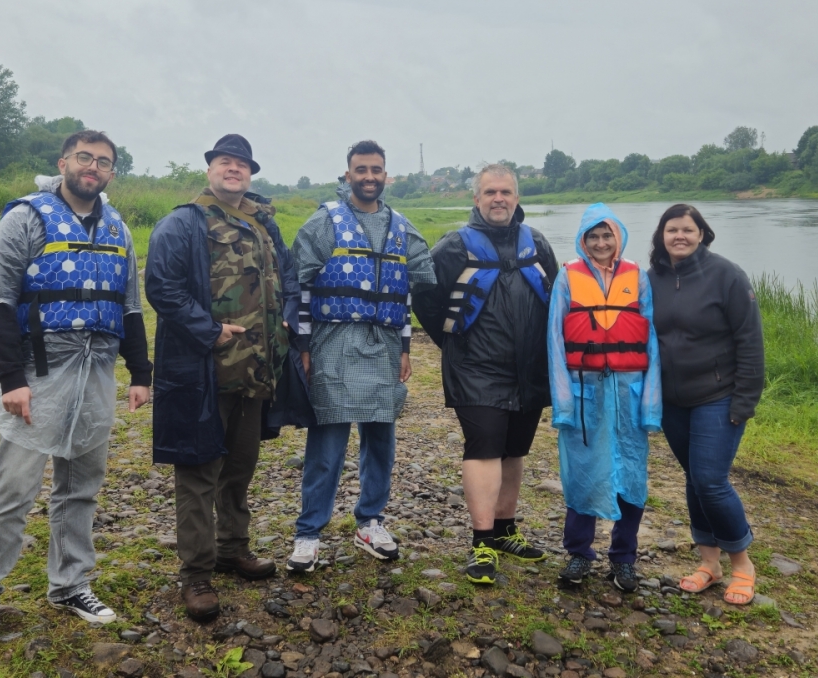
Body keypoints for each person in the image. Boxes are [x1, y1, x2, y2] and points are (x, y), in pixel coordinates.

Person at [0, 130, 153, 647]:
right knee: (12, 491)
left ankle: (70, 584)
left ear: (111, 173)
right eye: (85, 158)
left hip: (98, 369)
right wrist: (11, 380)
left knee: (81, 485)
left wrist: (141, 372)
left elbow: (129, 304)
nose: (93, 167)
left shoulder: (119, 227)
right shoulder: (26, 217)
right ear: (64, 162)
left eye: (104, 162)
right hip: (40, 368)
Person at [145, 134, 298, 622]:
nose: (234, 170)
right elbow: (161, 287)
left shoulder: (265, 224)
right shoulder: (182, 224)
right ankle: (197, 574)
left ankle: (234, 549)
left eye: (242, 164)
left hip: (254, 373)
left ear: (251, 173)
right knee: (197, 474)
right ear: (211, 168)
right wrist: (208, 331)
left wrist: (291, 315)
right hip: (203, 373)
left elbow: (287, 279)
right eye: (225, 162)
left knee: (240, 469)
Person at [285, 140, 436, 571]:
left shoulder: (402, 228)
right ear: (348, 174)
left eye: (376, 170)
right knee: (328, 440)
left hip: (384, 346)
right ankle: (309, 532)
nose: (369, 176)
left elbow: (403, 291)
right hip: (333, 341)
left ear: (386, 176)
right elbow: (302, 289)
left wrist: (406, 347)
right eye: (361, 169)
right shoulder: (323, 223)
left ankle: (370, 520)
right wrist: (304, 348)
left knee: (381, 440)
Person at [415, 163, 558, 585]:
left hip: (529, 369)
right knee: (484, 447)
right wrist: (452, 343)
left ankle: (505, 529)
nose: (499, 199)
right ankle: (481, 541)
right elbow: (425, 298)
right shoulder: (455, 246)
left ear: (516, 198)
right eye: (491, 192)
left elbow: (558, 294)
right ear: (477, 199)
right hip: (475, 368)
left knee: (515, 451)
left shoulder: (538, 243)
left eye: (506, 192)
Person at [646, 203, 765, 606]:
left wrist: (744, 401)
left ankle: (743, 565)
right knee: (695, 480)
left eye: (688, 230)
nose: (679, 236)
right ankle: (709, 564)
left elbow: (750, 341)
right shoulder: (652, 280)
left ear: (703, 234)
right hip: (672, 402)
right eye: (672, 230)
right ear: (661, 236)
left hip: (719, 397)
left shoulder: (727, 276)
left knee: (712, 482)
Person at [546, 204, 662, 592]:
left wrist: (650, 404)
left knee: (631, 475)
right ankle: (579, 554)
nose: (600, 243)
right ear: (583, 240)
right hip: (584, 394)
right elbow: (555, 342)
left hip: (628, 393)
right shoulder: (567, 278)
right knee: (582, 473)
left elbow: (652, 344)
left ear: (619, 237)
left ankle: (624, 559)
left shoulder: (638, 278)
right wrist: (563, 404)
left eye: (606, 235)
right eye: (593, 236)